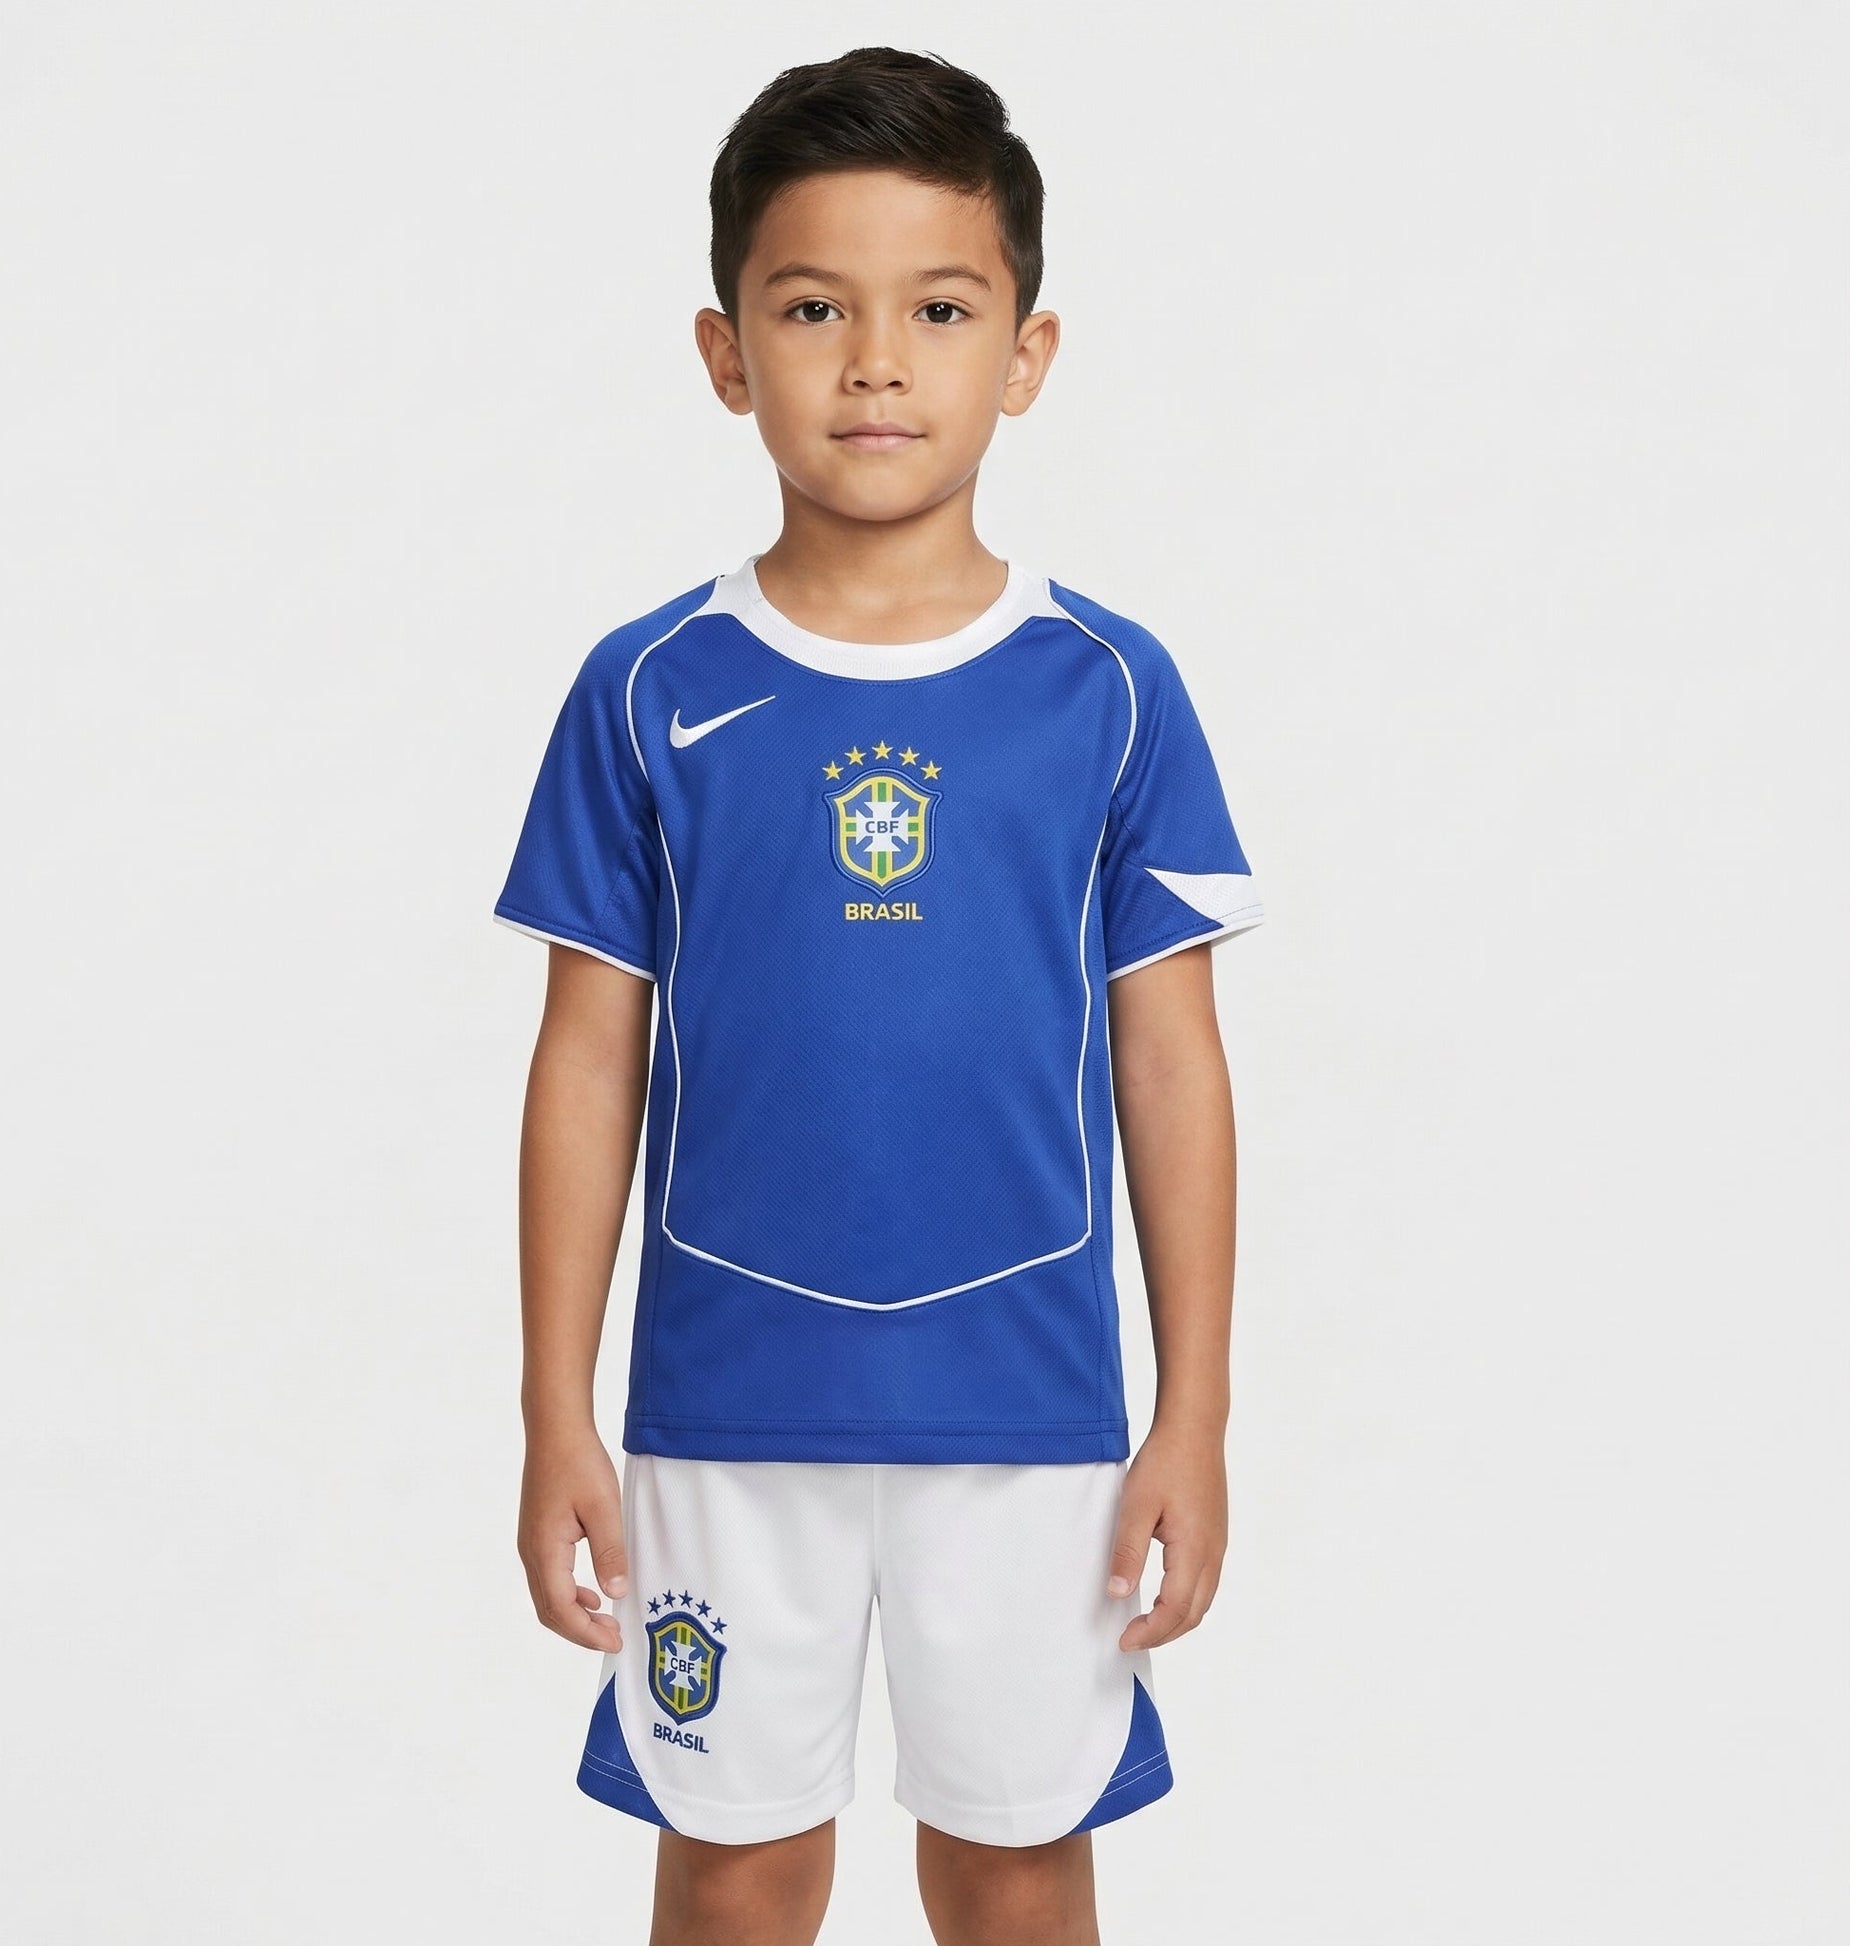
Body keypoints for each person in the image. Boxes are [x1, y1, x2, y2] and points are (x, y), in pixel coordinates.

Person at [492, 45, 1265, 1946]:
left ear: (1025, 350)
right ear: (724, 351)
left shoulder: (1106, 689)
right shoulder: (648, 687)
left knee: (1012, 1867)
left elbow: (1172, 1066)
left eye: (936, 309)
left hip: (1028, 1412)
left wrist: (1192, 1411)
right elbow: (585, 1060)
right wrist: (551, 1408)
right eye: (811, 308)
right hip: (722, 1406)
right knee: (738, 1871)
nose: (873, 364)